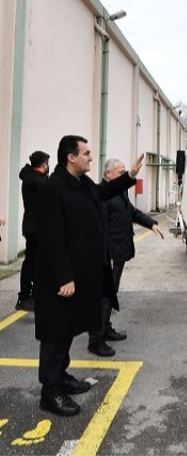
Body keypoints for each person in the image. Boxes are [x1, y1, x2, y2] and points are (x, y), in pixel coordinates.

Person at [34, 135, 143, 416]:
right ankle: (50, 391)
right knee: (56, 334)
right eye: (86, 153)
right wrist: (63, 277)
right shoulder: (53, 189)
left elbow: (104, 192)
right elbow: (51, 239)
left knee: (68, 329)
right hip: (61, 280)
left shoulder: (82, 185)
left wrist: (129, 176)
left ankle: (62, 376)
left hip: (80, 275)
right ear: (70, 157)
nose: (90, 158)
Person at [88, 158, 164, 357]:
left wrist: (151, 224)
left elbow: (132, 212)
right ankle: (95, 340)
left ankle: (105, 328)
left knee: (111, 293)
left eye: (124, 172)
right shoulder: (102, 195)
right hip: (110, 254)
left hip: (120, 252)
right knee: (104, 296)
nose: (124, 175)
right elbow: (99, 227)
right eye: (120, 172)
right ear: (108, 174)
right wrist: (107, 254)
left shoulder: (120, 191)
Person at [16, 150, 50, 312]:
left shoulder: (36, 178)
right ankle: (24, 297)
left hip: (38, 227)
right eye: (47, 164)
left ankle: (36, 295)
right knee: (31, 262)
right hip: (34, 228)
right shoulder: (33, 180)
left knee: (38, 262)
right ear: (43, 165)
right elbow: (50, 188)